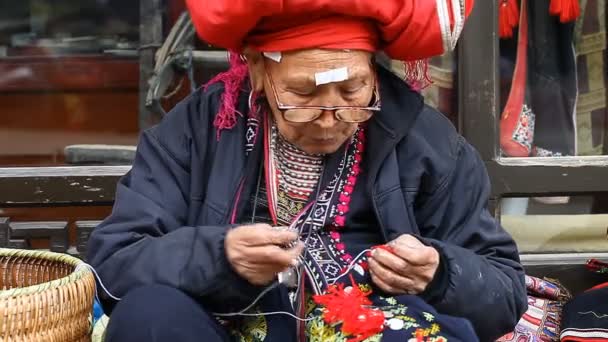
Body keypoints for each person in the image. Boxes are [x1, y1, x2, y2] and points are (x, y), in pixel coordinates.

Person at [87, 1, 528, 341]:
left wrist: (440, 271)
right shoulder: (197, 129)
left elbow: (504, 294)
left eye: (352, 88)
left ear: (373, 71)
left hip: (371, 324)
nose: (329, 114)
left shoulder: (426, 140)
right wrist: (219, 256)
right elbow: (113, 264)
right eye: (302, 92)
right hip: (224, 324)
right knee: (149, 316)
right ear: (257, 69)